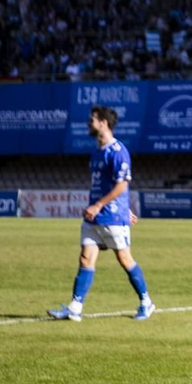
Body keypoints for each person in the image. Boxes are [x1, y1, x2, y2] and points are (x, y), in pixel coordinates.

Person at [48, 106, 155, 322]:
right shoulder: (97, 152)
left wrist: (102, 206)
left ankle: (146, 302)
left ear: (103, 122)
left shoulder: (118, 152)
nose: (89, 123)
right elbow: (108, 185)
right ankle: (75, 308)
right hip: (95, 217)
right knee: (86, 258)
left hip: (111, 216)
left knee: (124, 259)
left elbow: (122, 185)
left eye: (92, 120)